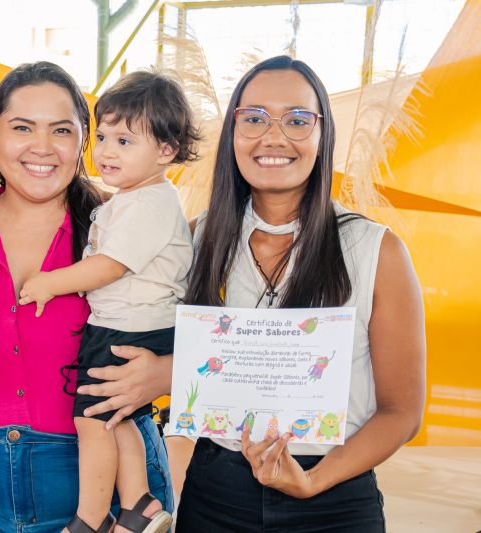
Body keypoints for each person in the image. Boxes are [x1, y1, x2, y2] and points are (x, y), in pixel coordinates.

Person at [0, 61, 174, 533]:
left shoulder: (123, 226)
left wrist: (164, 372)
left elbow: (205, 337)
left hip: (107, 480)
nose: (42, 146)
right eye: (22, 127)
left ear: (83, 140)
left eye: (61, 130)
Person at [175, 55, 425, 531]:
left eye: (296, 120)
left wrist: (312, 482)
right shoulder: (194, 240)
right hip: (215, 493)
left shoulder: (376, 250)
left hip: (334, 496)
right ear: (232, 132)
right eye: (254, 118)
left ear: (322, 134)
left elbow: (402, 412)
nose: (273, 137)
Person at [17, 70, 199, 533]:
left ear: (166, 151)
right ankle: (139, 504)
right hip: (136, 323)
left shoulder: (147, 204)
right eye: (101, 137)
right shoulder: (136, 198)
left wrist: (50, 283)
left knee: (92, 423)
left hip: (126, 326)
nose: (106, 151)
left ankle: (91, 517)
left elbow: (110, 265)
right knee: (119, 417)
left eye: (124, 141)